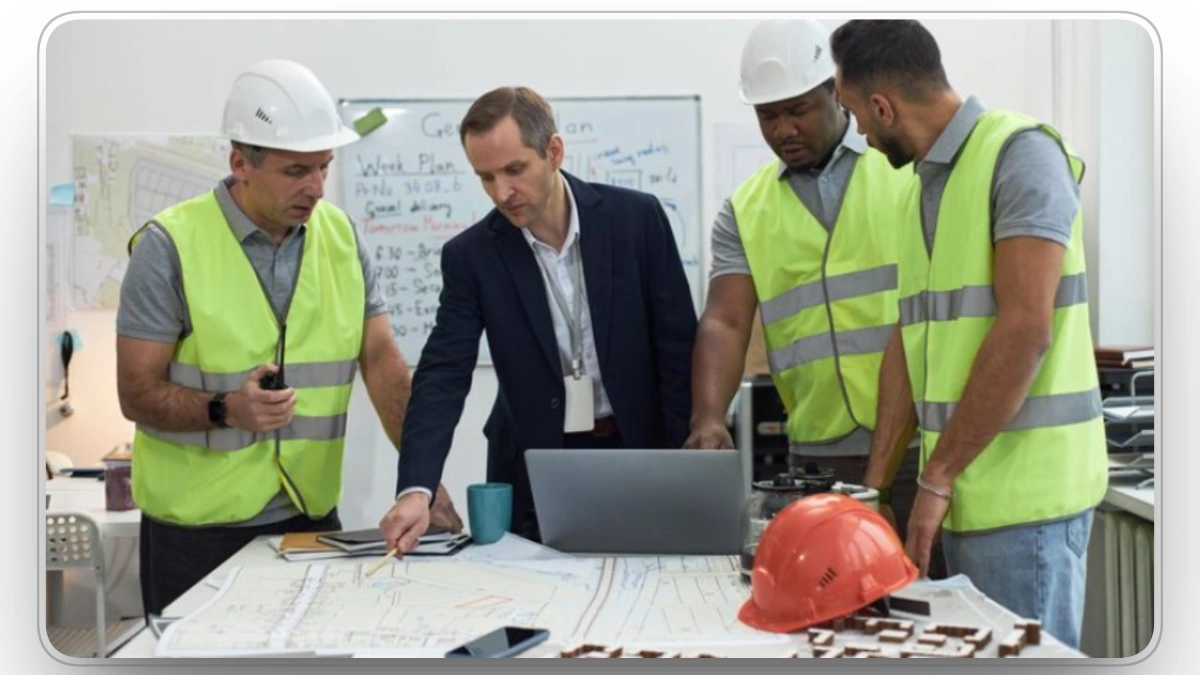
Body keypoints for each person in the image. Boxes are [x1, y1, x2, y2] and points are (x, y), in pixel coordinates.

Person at [116, 59, 462, 616]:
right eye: (297, 170)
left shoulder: (342, 237)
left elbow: (382, 363)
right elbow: (136, 392)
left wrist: (422, 480)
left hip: (310, 522)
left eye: (324, 167)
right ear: (240, 164)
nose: (316, 188)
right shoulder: (168, 247)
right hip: (197, 534)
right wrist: (226, 409)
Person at [830, 20, 1108, 648]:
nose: (860, 132)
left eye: (855, 113)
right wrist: (875, 488)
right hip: (961, 497)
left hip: (1027, 506)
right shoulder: (918, 190)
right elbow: (910, 338)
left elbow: (1026, 329)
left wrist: (936, 478)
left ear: (883, 107)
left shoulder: (1021, 153)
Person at [379, 86, 697, 552]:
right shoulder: (472, 257)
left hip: (638, 451)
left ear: (554, 152)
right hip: (533, 466)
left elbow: (677, 349)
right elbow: (443, 373)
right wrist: (416, 487)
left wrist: (683, 465)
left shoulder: (636, 220)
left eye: (514, 170)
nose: (501, 193)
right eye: (485, 177)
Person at [685, 19, 929, 560]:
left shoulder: (907, 169)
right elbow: (726, 320)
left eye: (797, 110)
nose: (783, 130)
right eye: (768, 116)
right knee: (826, 600)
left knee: (926, 599)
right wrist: (708, 417)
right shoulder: (745, 210)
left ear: (835, 92)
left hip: (919, 439)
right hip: (818, 454)